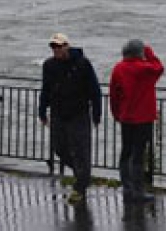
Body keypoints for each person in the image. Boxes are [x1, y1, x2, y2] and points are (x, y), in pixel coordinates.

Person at [38, 32, 102, 205]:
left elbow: (95, 89)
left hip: (79, 113)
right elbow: (45, 89)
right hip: (58, 113)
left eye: (59, 46)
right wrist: (42, 111)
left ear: (67, 46)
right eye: (53, 46)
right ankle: (83, 174)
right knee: (59, 147)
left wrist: (97, 113)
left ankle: (80, 186)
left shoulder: (82, 64)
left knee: (81, 149)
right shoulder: (48, 65)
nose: (56, 49)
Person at [109, 39, 164, 204]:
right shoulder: (145, 69)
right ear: (139, 53)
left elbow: (114, 94)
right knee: (138, 155)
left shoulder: (118, 68)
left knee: (126, 152)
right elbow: (159, 68)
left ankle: (127, 188)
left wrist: (116, 113)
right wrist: (149, 51)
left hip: (126, 117)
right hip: (144, 118)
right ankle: (138, 192)